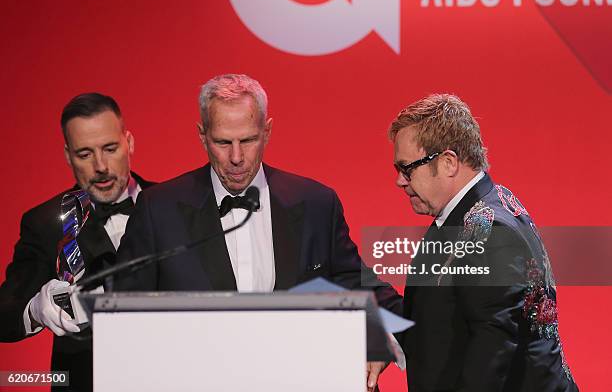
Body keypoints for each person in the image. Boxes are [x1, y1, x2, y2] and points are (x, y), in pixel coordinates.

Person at [114, 74, 403, 391]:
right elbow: (125, 314)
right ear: (202, 135)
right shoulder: (159, 210)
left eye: (248, 140)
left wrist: (382, 334)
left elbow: (358, 286)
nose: (236, 158)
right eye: (223, 142)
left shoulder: (317, 203)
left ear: (267, 132)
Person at [390, 94, 578, 391]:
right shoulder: (475, 208)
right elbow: (442, 316)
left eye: (407, 168)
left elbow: (493, 347)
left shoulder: (489, 230)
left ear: (449, 162)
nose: (400, 181)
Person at [0, 93, 154, 391]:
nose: (100, 166)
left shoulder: (176, 205)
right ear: (68, 156)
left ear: (129, 142)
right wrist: (34, 309)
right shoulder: (45, 223)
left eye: (110, 148)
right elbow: (4, 314)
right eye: (84, 154)